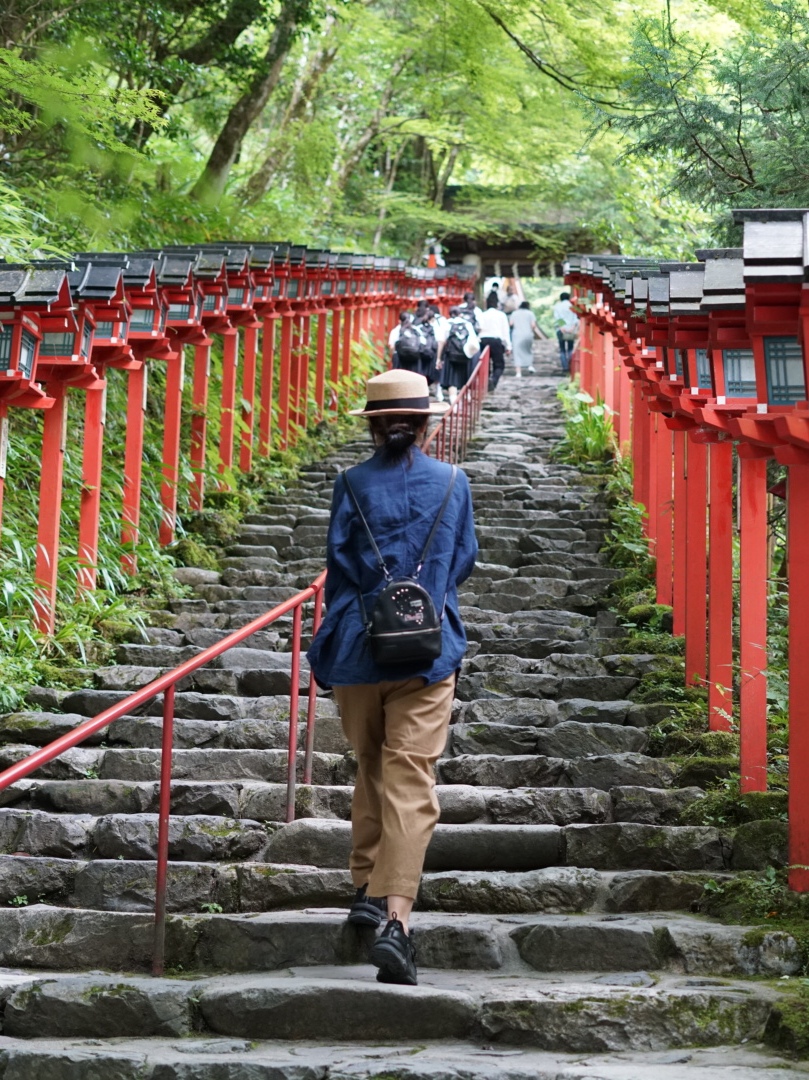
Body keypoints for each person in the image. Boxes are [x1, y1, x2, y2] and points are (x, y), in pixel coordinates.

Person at [306, 368, 478, 987]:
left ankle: (365, 883)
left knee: (372, 762)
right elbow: (462, 561)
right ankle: (395, 921)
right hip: (428, 651)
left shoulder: (350, 483)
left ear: (374, 425)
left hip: (357, 647)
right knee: (410, 775)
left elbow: (339, 562)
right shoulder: (454, 482)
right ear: (428, 424)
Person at [438, 305, 480, 404]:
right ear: (460, 314)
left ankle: (454, 403)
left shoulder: (446, 324)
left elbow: (441, 341)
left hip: (450, 355)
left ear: (449, 314)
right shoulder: (467, 324)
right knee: (465, 376)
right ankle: (466, 396)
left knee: (452, 379)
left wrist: (438, 358)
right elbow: (474, 341)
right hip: (465, 355)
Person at [477, 293, 511, 390]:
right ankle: (493, 380)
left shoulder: (482, 315)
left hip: (483, 340)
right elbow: (505, 331)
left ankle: (486, 381)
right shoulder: (501, 315)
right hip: (496, 340)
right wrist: (508, 346)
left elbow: (479, 328)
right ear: (497, 304)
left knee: (484, 364)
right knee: (499, 365)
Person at [509, 300, 543, 376]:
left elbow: (511, 323)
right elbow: (533, 325)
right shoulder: (530, 313)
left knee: (517, 353)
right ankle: (530, 366)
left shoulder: (514, 313)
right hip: (528, 334)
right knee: (528, 350)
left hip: (517, 334)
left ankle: (518, 372)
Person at [552, 291, 579, 373]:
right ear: (569, 298)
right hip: (571, 329)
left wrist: (562, 327)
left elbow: (557, 318)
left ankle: (565, 367)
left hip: (561, 330)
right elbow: (576, 318)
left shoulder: (557, 306)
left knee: (562, 349)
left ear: (561, 298)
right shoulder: (573, 306)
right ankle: (571, 365)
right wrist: (572, 328)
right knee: (570, 348)